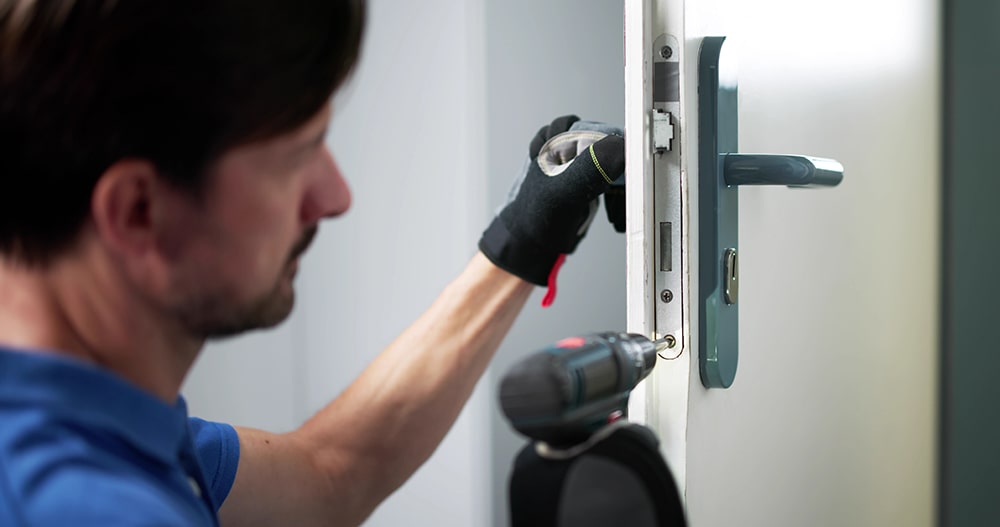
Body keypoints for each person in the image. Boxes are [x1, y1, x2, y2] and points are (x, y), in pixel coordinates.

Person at [0, 1, 624, 525]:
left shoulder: (89, 423)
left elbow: (332, 470)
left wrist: (522, 237)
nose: (336, 197)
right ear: (138, 211)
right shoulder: (86, 506)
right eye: (299, 155)